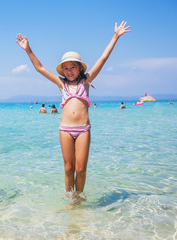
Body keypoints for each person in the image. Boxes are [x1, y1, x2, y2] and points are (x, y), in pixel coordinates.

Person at [17, 21, 131, 201]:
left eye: (73, 67)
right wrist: (28, 50)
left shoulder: (85, 82)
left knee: (81, 169)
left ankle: (79, 197)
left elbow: (102, 59)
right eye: (66, 68)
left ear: (80, 68)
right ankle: (69, 197)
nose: (69, 71)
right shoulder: (61, 84)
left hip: (83, 130)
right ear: (63, 70)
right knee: (68, 168)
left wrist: (115, 37)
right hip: (65, 130)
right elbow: (40, 68)